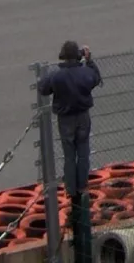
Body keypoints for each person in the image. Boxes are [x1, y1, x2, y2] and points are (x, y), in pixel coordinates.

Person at [37, 41, 102, 211]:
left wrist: (50, 72)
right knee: (83, 154)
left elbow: (42, 88)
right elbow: (96, 78)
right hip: (83, 116)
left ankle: (70, 189)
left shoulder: (57, 76)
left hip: (65, 119)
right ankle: (82, 186)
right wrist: (89, 60)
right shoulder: (85, 72)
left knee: (68, 156)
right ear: (78, 55)